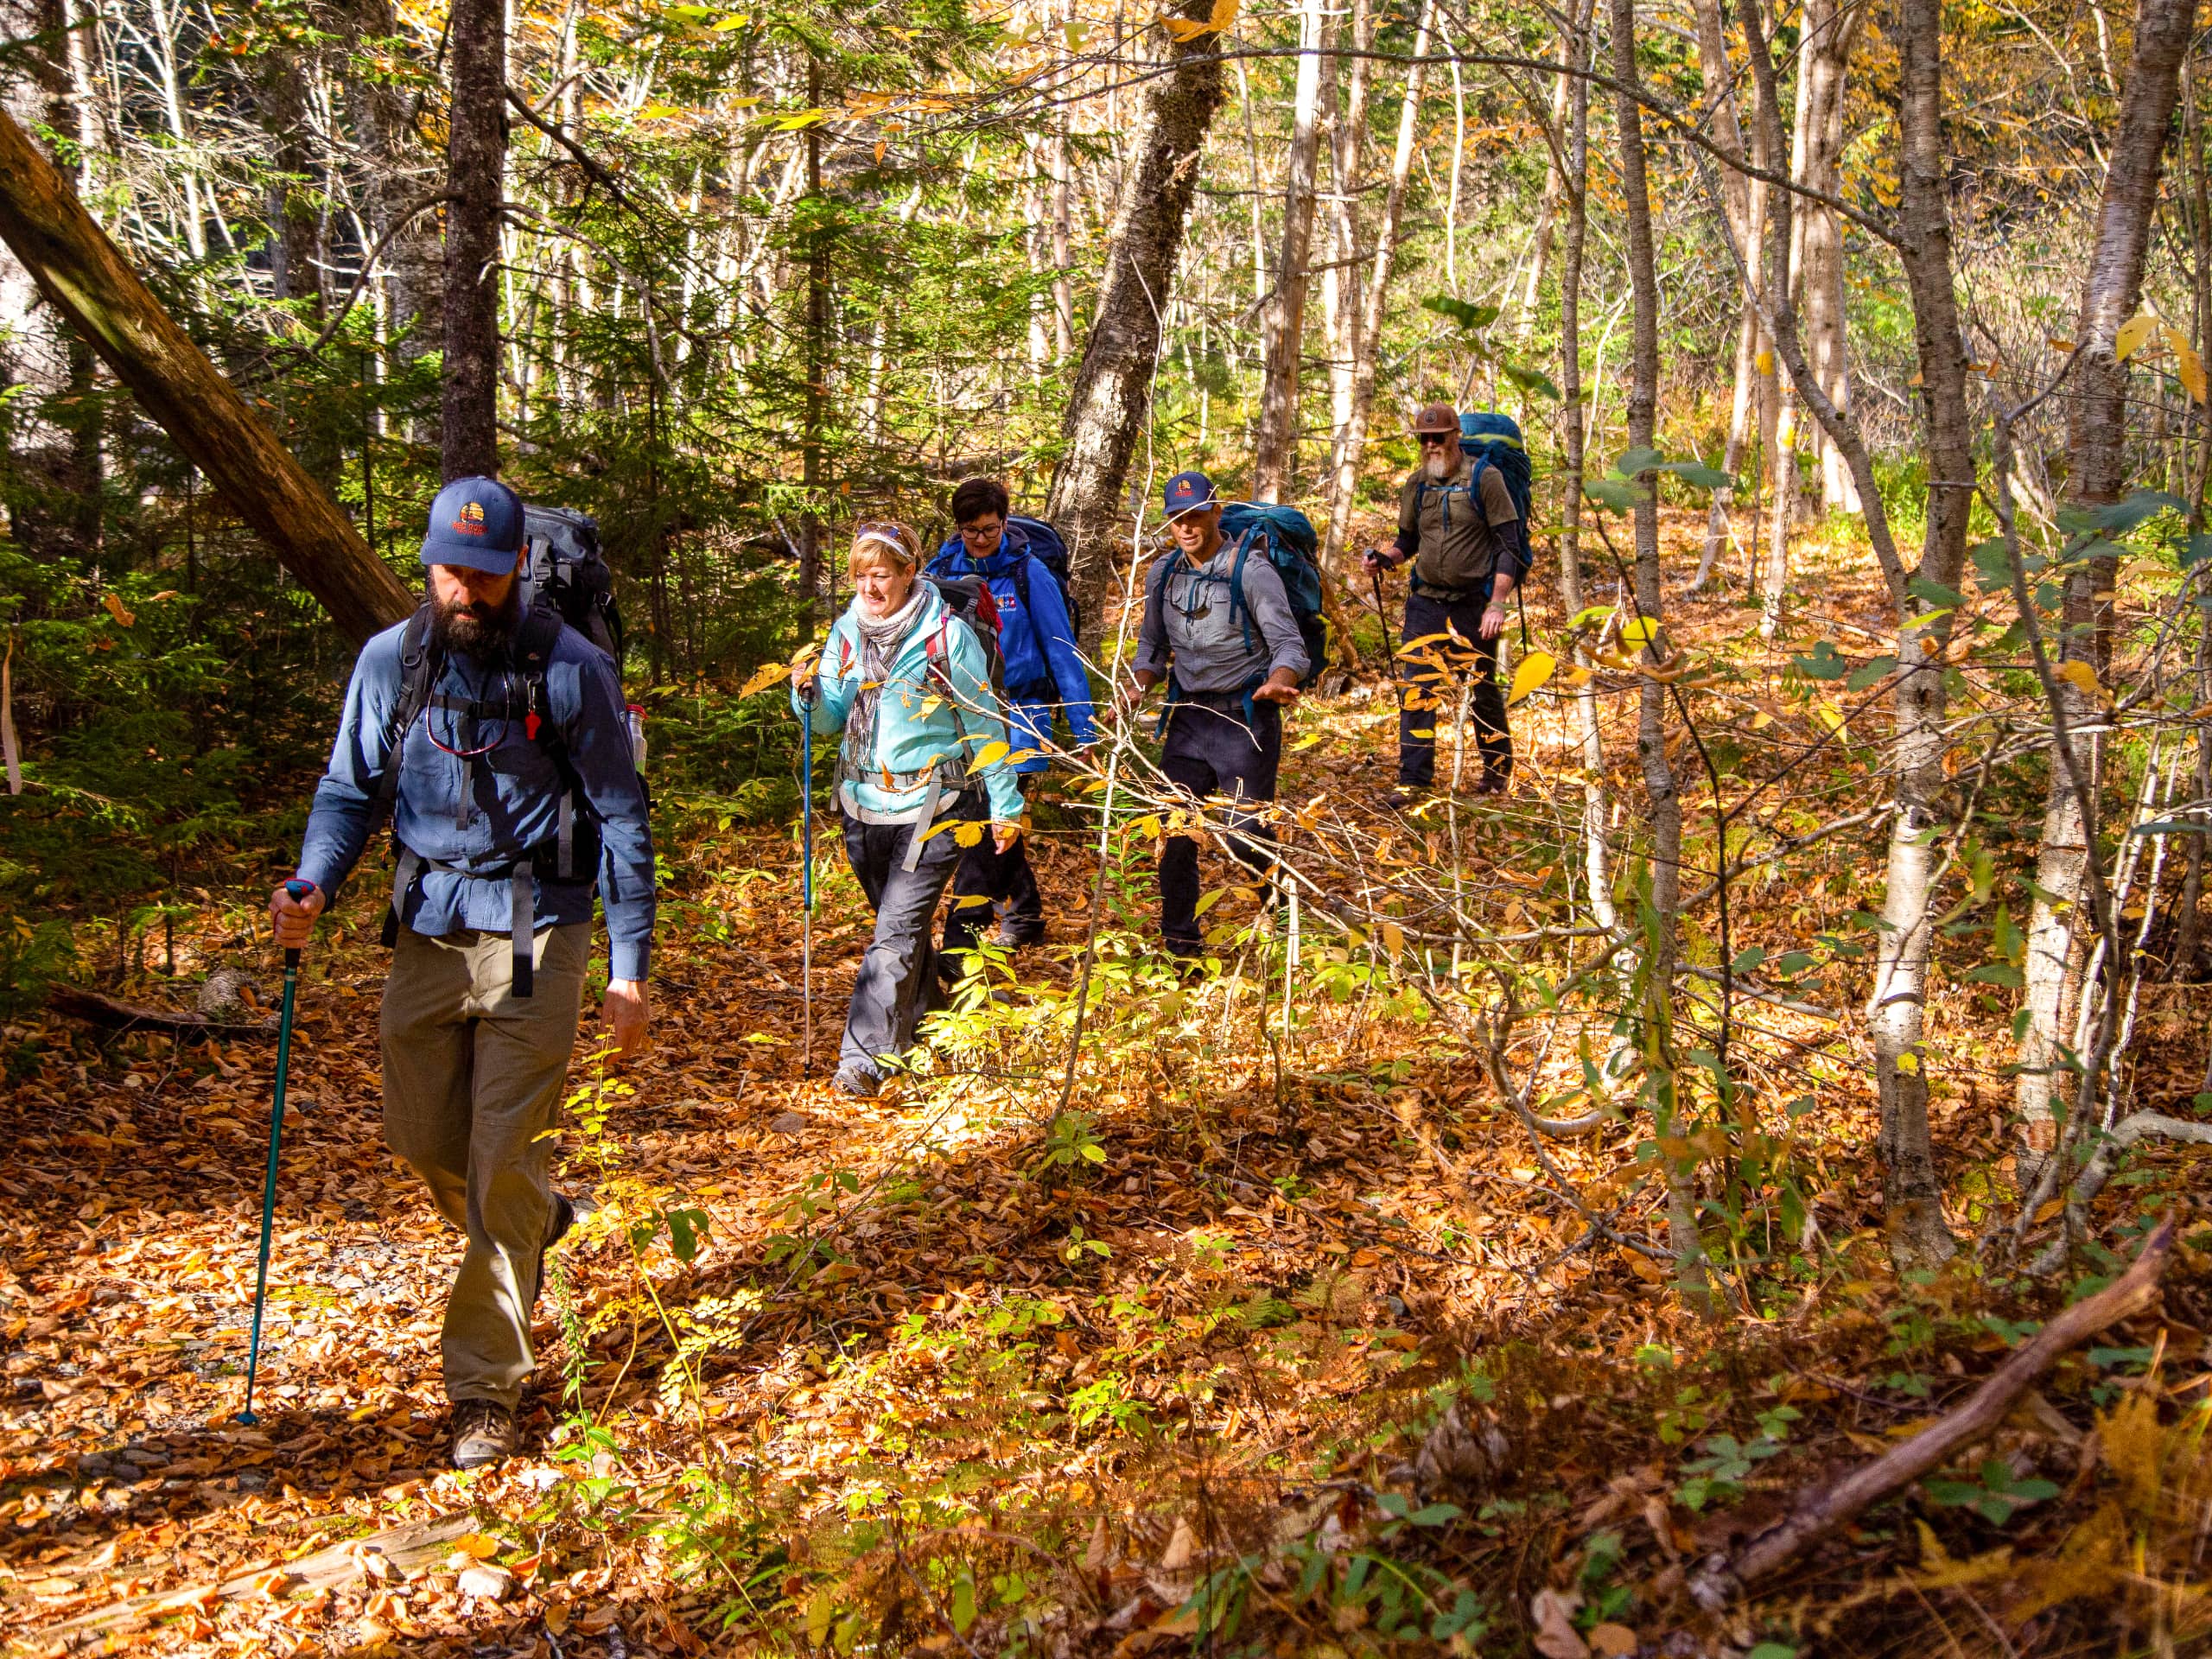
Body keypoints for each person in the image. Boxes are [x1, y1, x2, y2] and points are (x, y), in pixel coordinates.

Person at [269, 476, 655, 1471]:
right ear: (427, 564)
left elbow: (620, 817)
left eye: (486, 574)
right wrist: (313, 877)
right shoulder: (390, 662)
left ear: (518, 566)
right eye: (451, 570)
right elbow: (349, 789)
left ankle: (484, 1390)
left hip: (535, 923)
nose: (467, 591)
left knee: (500, 1158)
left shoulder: (567, 669)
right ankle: (541, 1222)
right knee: (423, 1141)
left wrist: (628, 966)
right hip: (428, 920)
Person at [792, 520, 1025, 1097]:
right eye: (862, 575)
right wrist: (807, 696)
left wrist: (1006, 806)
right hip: (862, 802)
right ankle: (931, 1025)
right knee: (901, 932)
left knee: (893, 937)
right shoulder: (847, 632)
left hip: (934, 804)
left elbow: (983, 721)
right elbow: (827, 722)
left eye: (882, 575)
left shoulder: (946, 636)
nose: (871, 587)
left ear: (907, 574)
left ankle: (862, 1061)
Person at [1122, 470, 1307, 960]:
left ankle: (1282, 925)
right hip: (1187, 718)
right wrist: (1139, 684)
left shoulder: (1250, 569)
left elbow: (1289, 642)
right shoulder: (1163, 572)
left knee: (1247, 836)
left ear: (1216, 512)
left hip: (1245, 717)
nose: (1186, 527)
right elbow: (1152, 645)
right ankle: (1180, 946)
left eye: (1196, 515)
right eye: (1177, 519)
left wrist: (1281, 680)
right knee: (1174, 830)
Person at [926, 479, 1096, 974]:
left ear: (1005, 520)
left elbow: (1062, 651)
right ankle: (1025, 913)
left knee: (983, 828)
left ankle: (963, 945)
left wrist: (1083, 728)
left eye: (989, 529)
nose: (979, 540)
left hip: (1022, 714)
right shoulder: (941, 570)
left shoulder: (1029, 573)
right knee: (986, 819)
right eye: (969, 531)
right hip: (961, 719)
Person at [1361, 401, 1522, 798]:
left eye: (1439, 437)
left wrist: (1497, 603)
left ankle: (1497, 775)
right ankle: (1414, 781)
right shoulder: (1417, 484)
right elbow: (1408, 540)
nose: (1431, 444)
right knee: (1417, 689)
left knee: (1483, 690)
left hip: (1474, 604)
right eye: (1425, 438)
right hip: (1426, 603)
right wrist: (1387, 559)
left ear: (1455, 437)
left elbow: (1509, 543)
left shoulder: (1486, 478)